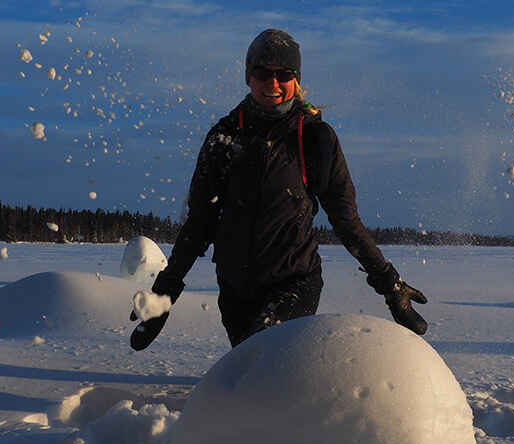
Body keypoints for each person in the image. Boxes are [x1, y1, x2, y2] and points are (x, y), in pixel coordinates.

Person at [130, 28, 427, 350]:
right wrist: (165, 289)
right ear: (248, 77)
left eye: (283, 74)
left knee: (262, 357)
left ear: (296, 79)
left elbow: (346, 220)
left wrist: (390, 284)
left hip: (294, 282)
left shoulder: (316, 138)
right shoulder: (224, 136)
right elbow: (200, 219)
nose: (272, 84)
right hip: (234, 290)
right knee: (251, 374)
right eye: (262, 73)